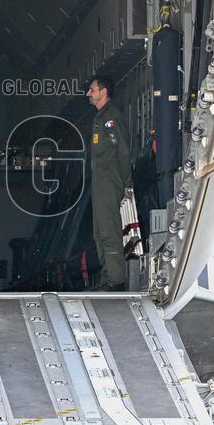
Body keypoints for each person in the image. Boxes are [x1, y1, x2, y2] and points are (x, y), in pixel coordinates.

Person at [86, 75, 133, 291]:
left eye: (92, 90)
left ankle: (115, 279)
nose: (89, 94)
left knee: (109, 229)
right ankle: (107, 275)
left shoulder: (111, 117)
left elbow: (122, 151)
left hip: (110, 180)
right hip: (100, 181)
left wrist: (126, 182)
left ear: (104, 92)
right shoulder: (100, 117)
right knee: (99, 230)